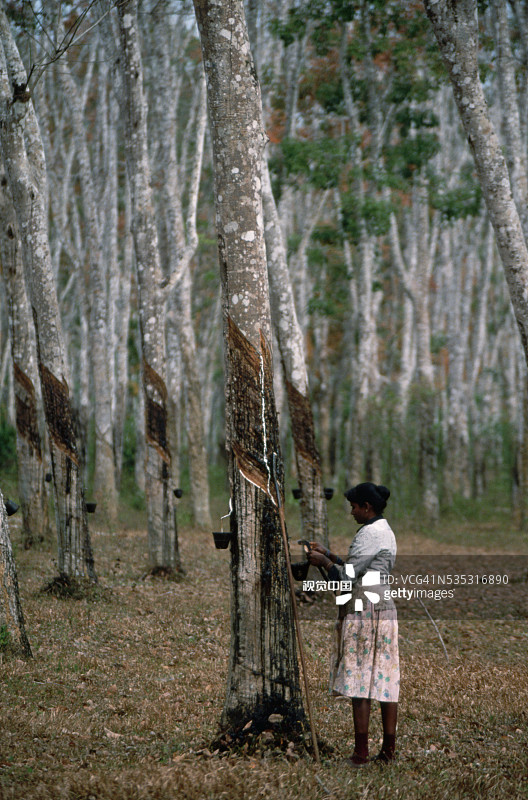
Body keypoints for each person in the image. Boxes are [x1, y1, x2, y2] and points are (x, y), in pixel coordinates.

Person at [308, 482, 399, 766]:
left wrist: (323, 562)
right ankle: (387, 751)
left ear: (367, 507)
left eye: (354, 507)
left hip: (365, 610)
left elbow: (346, 578)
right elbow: (360, 566)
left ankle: (361, 754)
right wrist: (331, 556)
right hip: (384, 609)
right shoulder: (385, 530)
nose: (352, 512)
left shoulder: (368, 533)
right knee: (385, 679)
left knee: (361, 680)